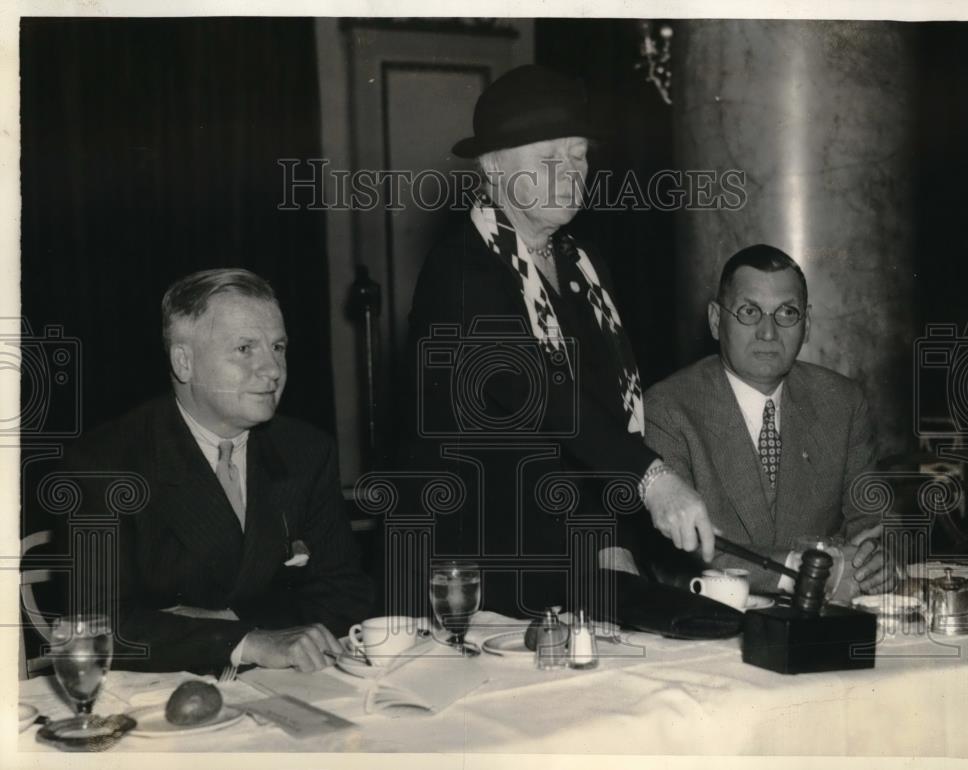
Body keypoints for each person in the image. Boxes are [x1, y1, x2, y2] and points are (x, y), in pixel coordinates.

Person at [394, 65, 714, 620]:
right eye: (549, 159)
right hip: (480, 571)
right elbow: (542, 397)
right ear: (493, 168)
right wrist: (653, 479)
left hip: (576, 556)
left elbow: (605, 417)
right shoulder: (461, 271)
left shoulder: (583, 265)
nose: (571, 173)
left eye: (578, 156)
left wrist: (612, 542)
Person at [62, 269, 372, 673]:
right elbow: (97, 627)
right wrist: (247, 640)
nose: (273, 369)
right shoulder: (107, 463)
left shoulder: (306, 451)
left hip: (284, 686)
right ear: (184, 362)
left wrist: (231, 629)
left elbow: (345, 596)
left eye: (277, 347)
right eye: (246, 349)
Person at [638, 244, 897, 596]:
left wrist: (878, 562)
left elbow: (874, 526)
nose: (768, 332)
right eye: (749, 311)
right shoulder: (667, 408)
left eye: (786, 313)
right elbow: (682, 553)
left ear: (806, 325)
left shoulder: (842, 401)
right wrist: (803, 572)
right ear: (716, 321)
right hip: (713, 627)